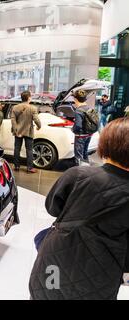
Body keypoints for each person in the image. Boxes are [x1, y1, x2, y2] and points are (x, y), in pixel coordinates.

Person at [29, 118, 129, 300]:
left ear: (107, 143)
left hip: (57, 257)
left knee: (49, 293)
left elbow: (53, 207)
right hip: (102, 271)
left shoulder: (78, 175)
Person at [11, 91, 41, 173]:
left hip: (18, 132)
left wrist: (15, 129)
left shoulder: (15, 107)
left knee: (17, 149)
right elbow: (36, 119)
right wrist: (39, 126)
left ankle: (16, 166)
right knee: (29, 150)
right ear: (28, 98)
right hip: (28, 131)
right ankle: (30, 168)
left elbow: (13, 120)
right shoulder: (33, 108)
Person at [72, 90, 94, 166]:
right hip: (89, 134)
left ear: (76, 99)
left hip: (80, 136)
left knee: (78, 156)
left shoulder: (78, 110)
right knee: (85, 153)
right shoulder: (89, 108)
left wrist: (73, 129)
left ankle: (80, 174)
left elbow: (78, 126)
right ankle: (86, 171)